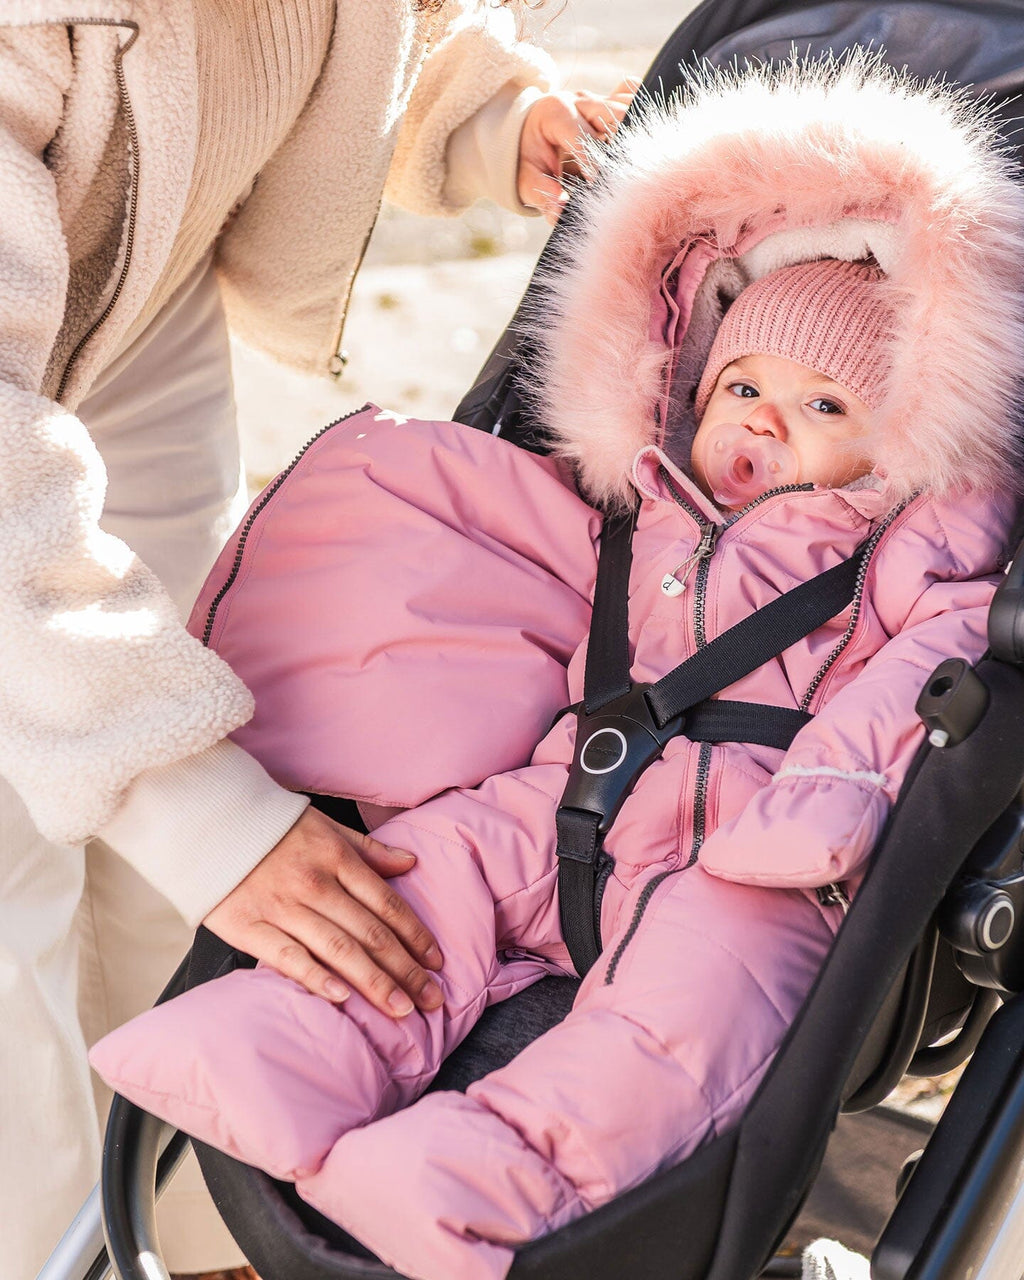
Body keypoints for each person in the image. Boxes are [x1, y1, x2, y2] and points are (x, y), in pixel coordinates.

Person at [89, 56, 1024, 1280]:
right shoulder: (634, 496)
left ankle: (493, 1173)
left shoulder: (901, 543)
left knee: (686, 1008)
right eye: (738, 384)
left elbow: (933, 665)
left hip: (753, 845)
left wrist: (825, 807)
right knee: (430, 878)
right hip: (565, 782)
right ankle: (280, 1044)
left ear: (902, 436)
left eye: (820, 405)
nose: (756, 419)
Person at [0, 6, 634, 1278]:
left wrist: (487, 111)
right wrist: (207, 816)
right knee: (27, 867)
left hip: (129, 276)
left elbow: (364, 24)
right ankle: (44, 1246)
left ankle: (193, 1229)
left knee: (186, 752)